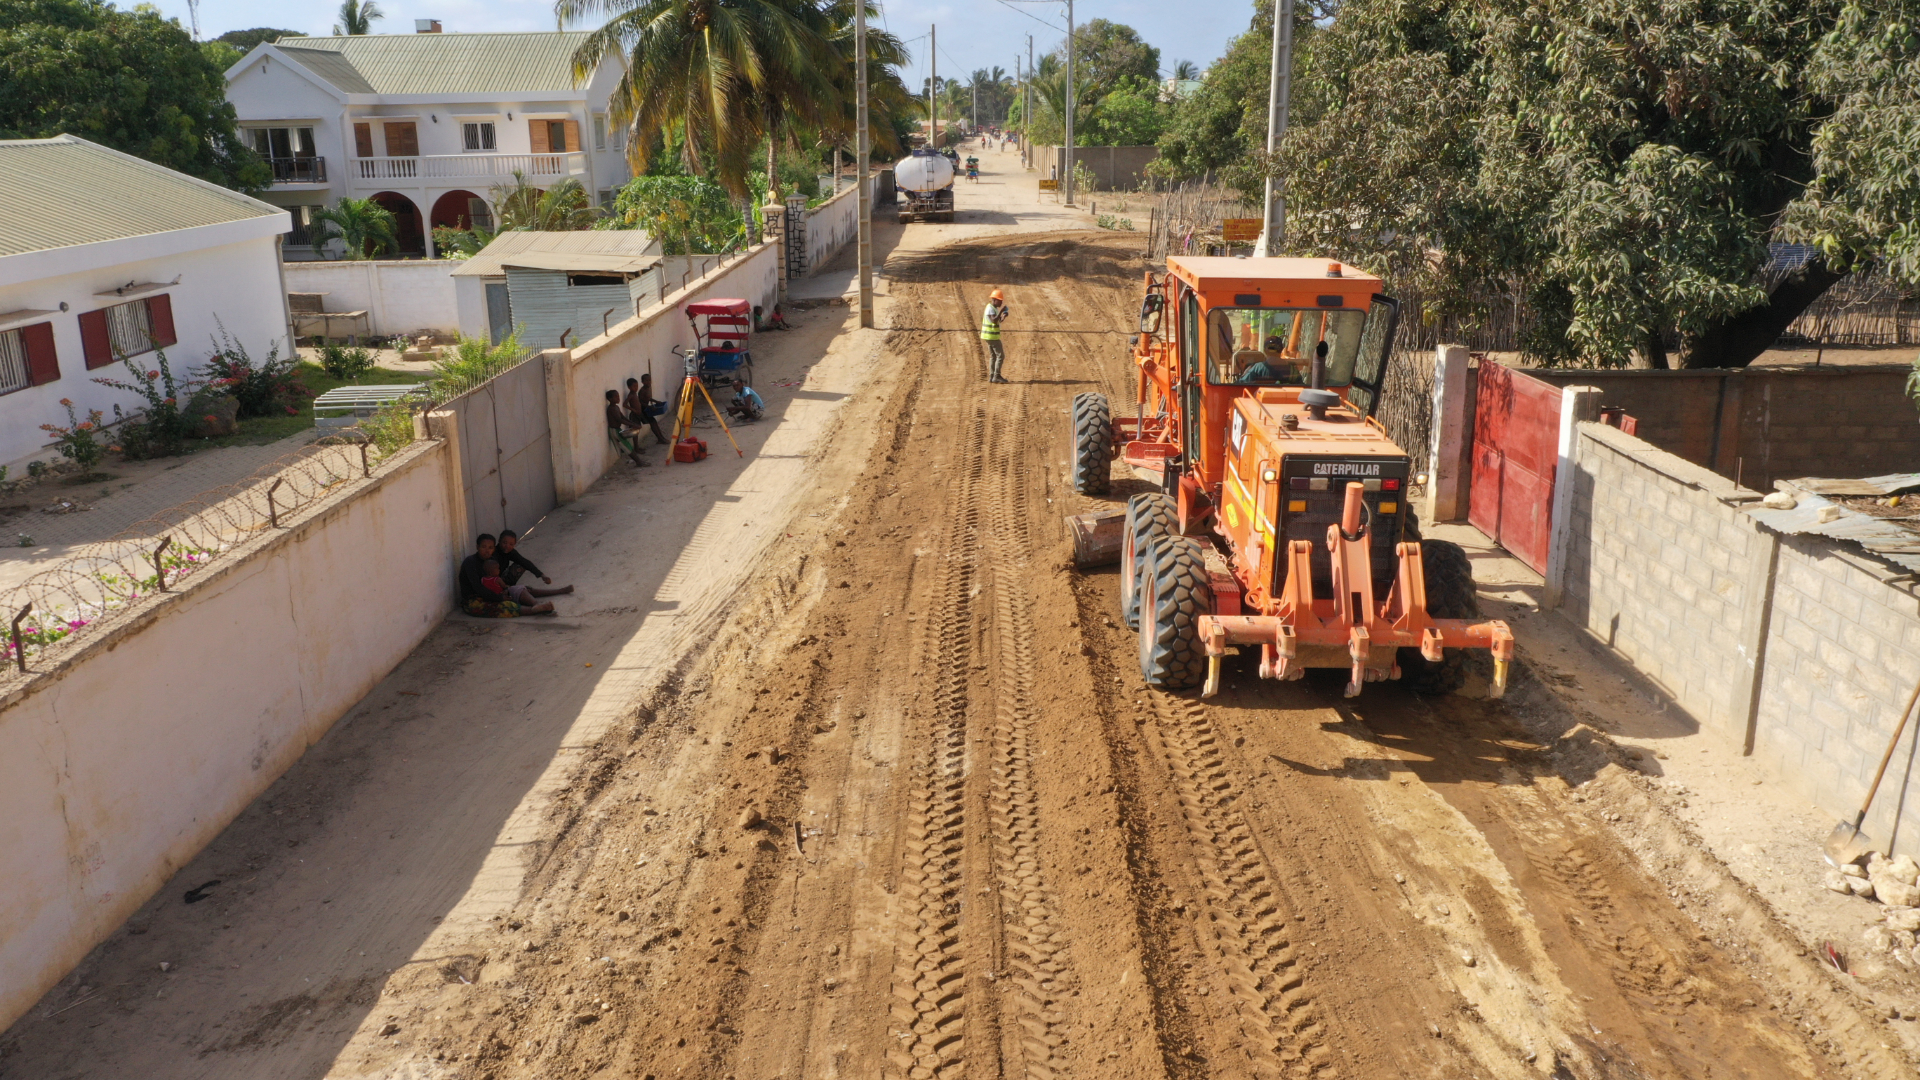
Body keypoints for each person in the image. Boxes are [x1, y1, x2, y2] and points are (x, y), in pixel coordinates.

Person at [460, 533, 554, 617]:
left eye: (490, 548)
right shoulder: (470, 562)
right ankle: (534, 610)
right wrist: (500, 597)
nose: (487, 551)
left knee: (519, 590)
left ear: (494, 548)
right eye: (483, 547)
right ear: (477, 547)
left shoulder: (491, 560)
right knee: (503, 607)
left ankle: (536, 604)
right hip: (474, 599)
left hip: (493, 593)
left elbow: (523, 562)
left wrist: (503, 590)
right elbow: (478, 588)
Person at [496, 529, 572, 599]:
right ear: (499, 541)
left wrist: (541, 575)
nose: (507, 546)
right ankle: (559, 591)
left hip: (503, 581)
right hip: (493, 582)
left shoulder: (510, 552)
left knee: (521, 567)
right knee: (524, 591)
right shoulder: (494, 553)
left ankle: (560, 591)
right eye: (504, 543)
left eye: (511, 544)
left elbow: (525, 562)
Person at [605, 389, 651, 467]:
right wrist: (633, 425)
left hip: (617, 430)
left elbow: (622, 417)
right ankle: (638, 462)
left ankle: (638, 461)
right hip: (614, 430)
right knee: (627, 446)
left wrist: (633, 423)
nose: (618, 398)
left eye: (618, 396)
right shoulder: (611, 409)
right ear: (610, 399)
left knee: (627, 446)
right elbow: (619, 420)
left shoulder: (616, 407)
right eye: (615, 397)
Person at [625, 376, 670, 445]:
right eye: (647, 380)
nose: (649, 382)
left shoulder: (647, 389)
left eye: (649, 380)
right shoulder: (641, 391)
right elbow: (640, 402)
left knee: (653, 422)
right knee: (637, 429)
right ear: (642, 382)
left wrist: (656, 401)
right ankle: (660, 439)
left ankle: (661, 438)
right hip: (643, 410)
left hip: (644, 410)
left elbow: (648, 398)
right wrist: (649, 407)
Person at [980, 289, 1011, 383]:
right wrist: (1001, 311)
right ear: (995, 300)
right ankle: (996, 376)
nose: (1001, 302)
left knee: (993, 356)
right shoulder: (990, 308)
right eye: (1000, 300)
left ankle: (992, 376)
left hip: (990, 336)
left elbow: (997, 321)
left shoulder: (993, 309)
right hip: (991, 336)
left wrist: (1004, 316)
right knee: (1000, 356)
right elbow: (993, 320)